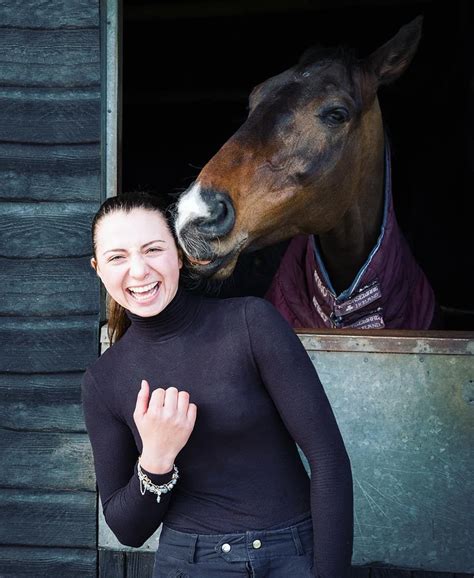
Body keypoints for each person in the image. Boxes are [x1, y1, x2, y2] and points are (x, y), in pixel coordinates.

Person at [82, 192, 353, 578]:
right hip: (189, 565)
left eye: (152, 249)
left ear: (178, 254)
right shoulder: (104, 380)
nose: (139, 271)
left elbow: (329, 460)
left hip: (292, 554)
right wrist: (156, 461)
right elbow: (128, 530)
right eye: (118, 257)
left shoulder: (250, 324)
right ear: (98, 269)